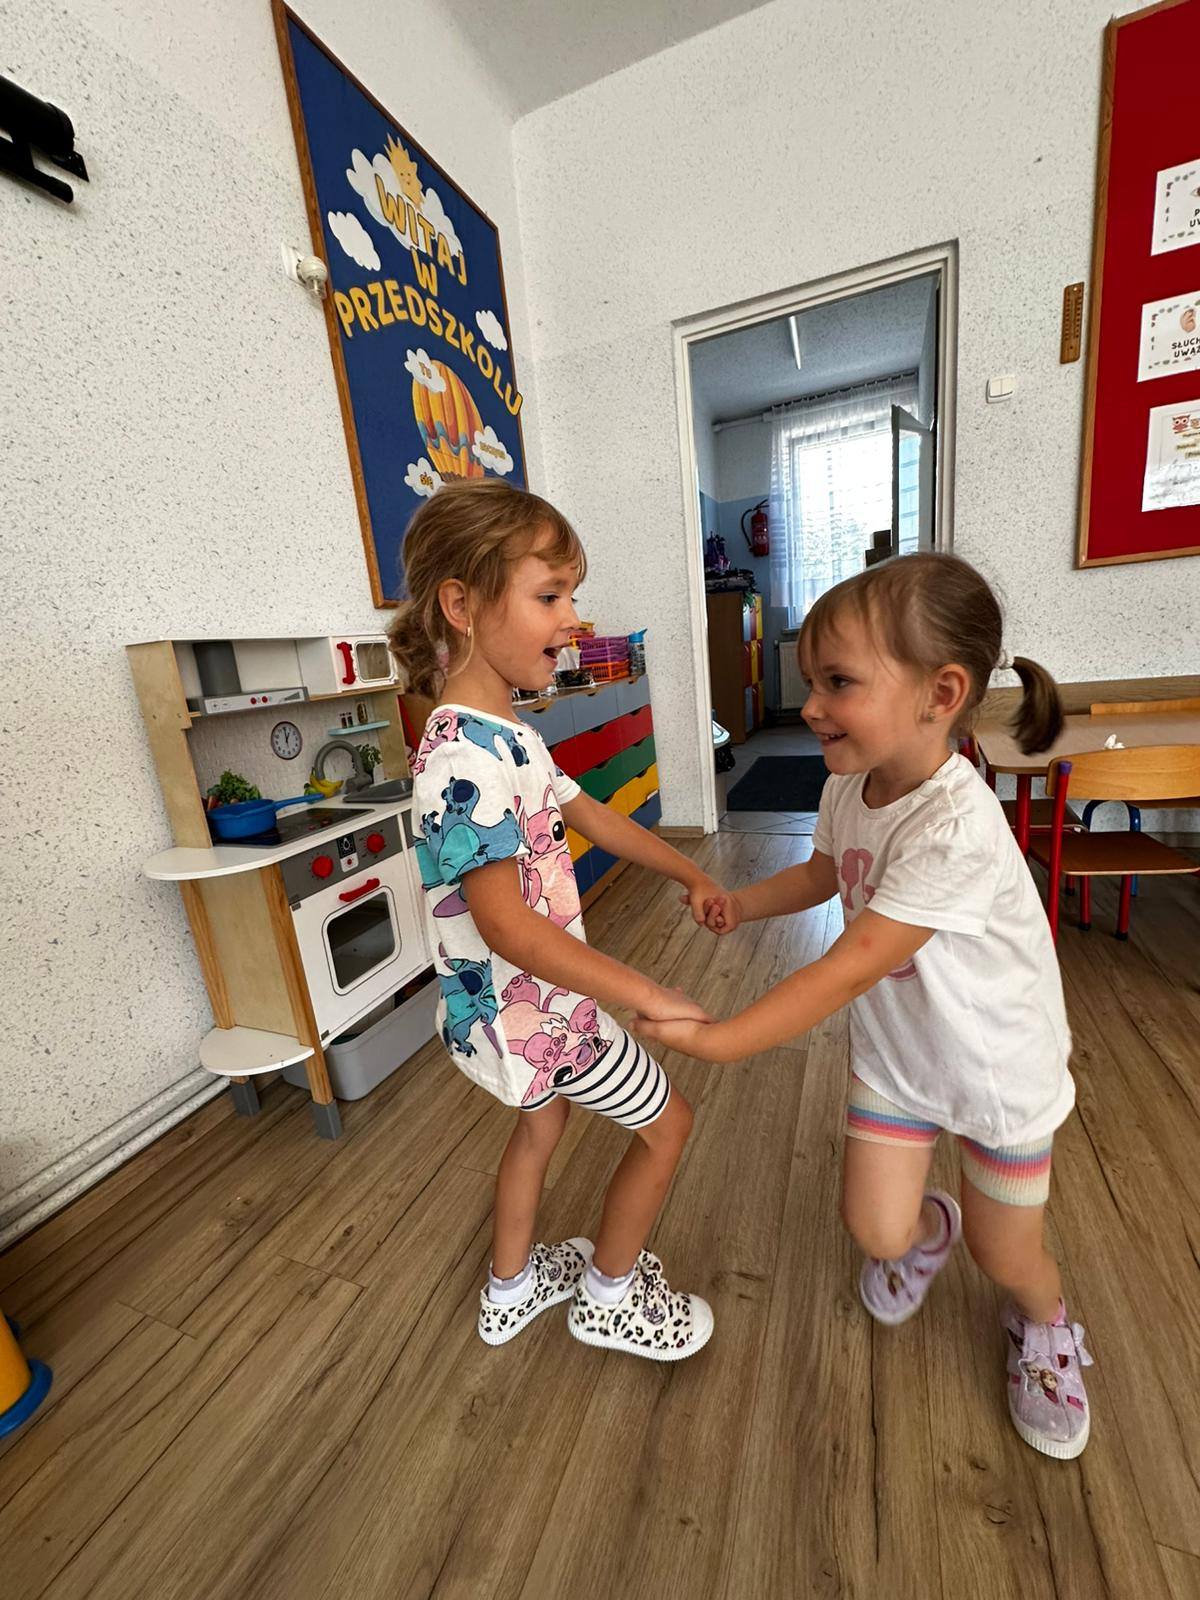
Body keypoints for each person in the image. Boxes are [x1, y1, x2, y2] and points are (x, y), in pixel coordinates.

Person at [636, 553, 1093, 1458]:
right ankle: (931, 1230)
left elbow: (851, 965)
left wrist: (726, 1039)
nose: (810, 706)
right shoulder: (849, 780)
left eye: (837, 682)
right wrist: (744, 903)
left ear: (940, 693)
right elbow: (825, 872)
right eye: (812, 680)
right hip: (898, 1054)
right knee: (879, 1228)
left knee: (1008, 1256)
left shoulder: (957, 826)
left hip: (996, 1070)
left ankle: (1046, 1326)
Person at [390, 479, 724, 1362]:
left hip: (518, 1011)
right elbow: (508, 928)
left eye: (571, 595)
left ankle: (508, 1293)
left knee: (541, 1127)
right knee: (669, 1124)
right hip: (537, 1015)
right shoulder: (461, 760)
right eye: (550, 596)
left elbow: (592, 814)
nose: (573, 619)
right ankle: (608, 1299)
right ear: (461, 605)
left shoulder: (509, 733)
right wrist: (643, 992)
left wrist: (688, 869)